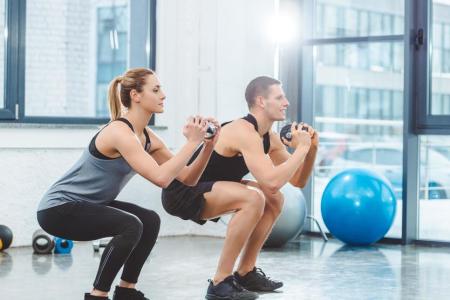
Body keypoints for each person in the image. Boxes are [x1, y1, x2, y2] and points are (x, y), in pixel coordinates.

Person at [36, 67, 220, 300]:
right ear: (136, 95)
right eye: (156, 89)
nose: (163, 95)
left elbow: (187, 178)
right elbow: (162, 178)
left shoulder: (148, 138)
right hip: (58, 209)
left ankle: (126, 291)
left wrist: (207, 145)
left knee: (149, 220)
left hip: (90, 205)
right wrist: (191, 143)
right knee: (131, 225)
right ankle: (98, 295)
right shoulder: (119, 132)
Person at [162, 76, 319, 300]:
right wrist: (301, 150)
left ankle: (246, 272)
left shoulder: (269, 138)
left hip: (214, 186)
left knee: (274, 199)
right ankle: (220, 282)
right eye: (279, 97)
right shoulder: (243, 132)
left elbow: (297, 181)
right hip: (181, 192)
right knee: (254, 198)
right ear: (261, 101)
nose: (286, 102)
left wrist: (311, 148)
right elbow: (271, 181)